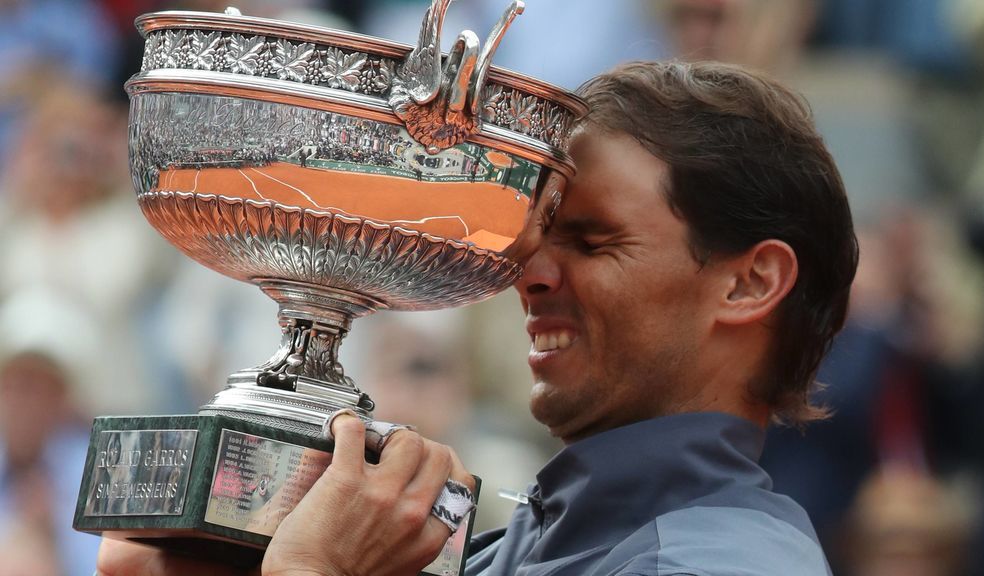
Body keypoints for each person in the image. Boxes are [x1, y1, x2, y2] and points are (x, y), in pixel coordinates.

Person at [96, 60, 858, 575]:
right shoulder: (511, 544)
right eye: (536, 236)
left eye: (592, 242)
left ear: (750, 283)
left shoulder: (716, 565)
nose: (529, 273)